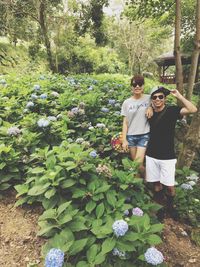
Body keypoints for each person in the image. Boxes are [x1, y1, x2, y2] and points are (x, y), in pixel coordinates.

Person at [145, 86, 197, 218]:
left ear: (165, 99)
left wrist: (179, 96)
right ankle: (159, 209)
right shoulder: (149, 113)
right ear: (152, 100)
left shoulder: (172, 110)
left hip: (167, 156)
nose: (157, 99)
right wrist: (148, 107)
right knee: (156, 185)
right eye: (155, 97)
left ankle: (170, 207)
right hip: (151, 154)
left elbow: (193, 109)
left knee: (169, 187)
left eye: (160, 97)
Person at [121, 74, 152, 177]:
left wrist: (151, 108)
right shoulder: (126, 102)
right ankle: (140, 185)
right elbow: (125, 122)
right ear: (131, 87)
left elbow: (160, 103)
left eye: (140, 84)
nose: (137, 87)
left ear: (143, 86)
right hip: (131, 136)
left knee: (137, 163)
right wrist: (124, 139)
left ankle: (150, 179)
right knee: (136, 165)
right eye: (135, 85)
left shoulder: (149, 99)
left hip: (144, 135)